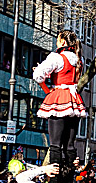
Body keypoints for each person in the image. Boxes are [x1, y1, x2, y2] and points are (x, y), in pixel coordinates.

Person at [33, 30, 86, 167]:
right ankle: (68, 181)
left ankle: (54, 182)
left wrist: (47, 90)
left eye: (58, 39)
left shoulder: (57, 57)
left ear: (62, 41)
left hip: (59, 97)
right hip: (74, 99)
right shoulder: (79, 59)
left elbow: (38, 75)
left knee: (55, 144)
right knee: (69, 144)